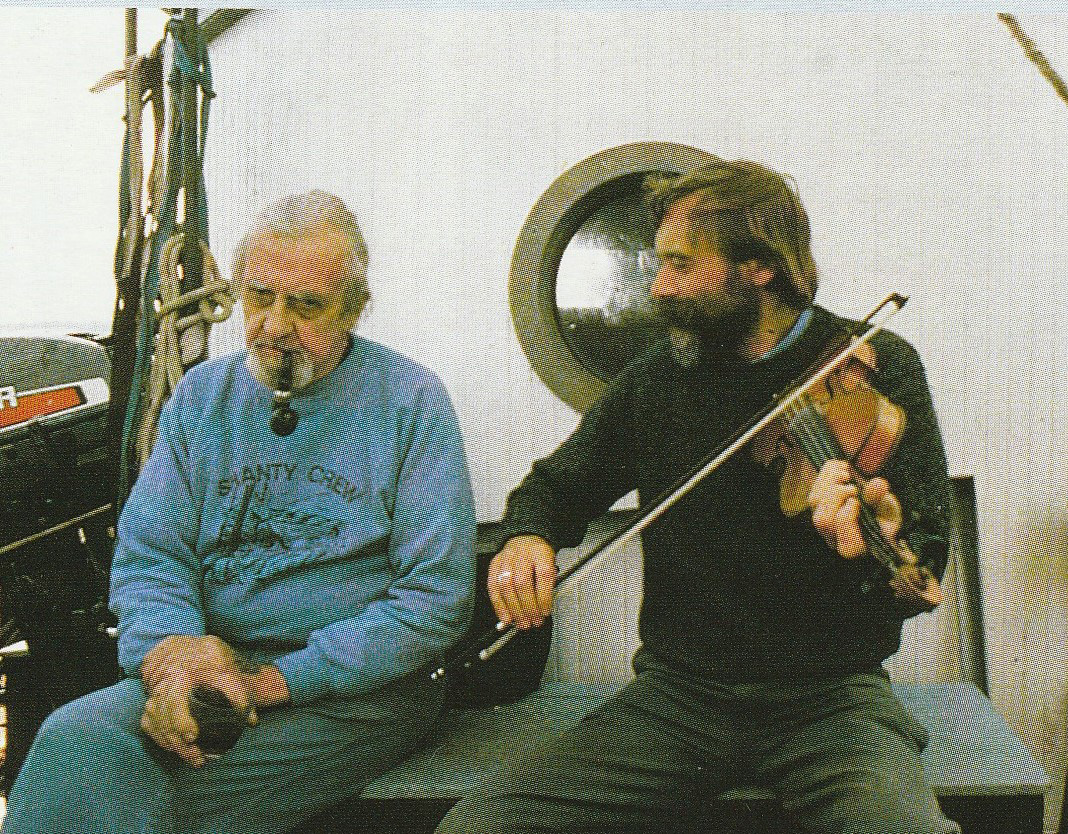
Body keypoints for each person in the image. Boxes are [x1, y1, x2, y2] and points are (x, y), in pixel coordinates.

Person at [435, 158, 959, 834]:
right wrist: (527, 535)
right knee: (480, 827)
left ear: (760, 268)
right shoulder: (662, 375)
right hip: (679, 698)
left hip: (832, 701)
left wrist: (873, 545)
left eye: (681, 265)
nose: (659, 286)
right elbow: (557, 485)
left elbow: (925, 559)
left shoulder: (876, 365)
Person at [2, 191, 476, 834]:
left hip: (358, 696)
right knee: (69, 739)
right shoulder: (203, 398)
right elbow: (151, 555)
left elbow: (433, 599)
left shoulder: (411, 404)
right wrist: (178, 665)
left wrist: (266, 684)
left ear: (354, 308)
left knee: (164, 791)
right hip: (205, 667)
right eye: (260, 297)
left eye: (306, 305)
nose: (276, 325)